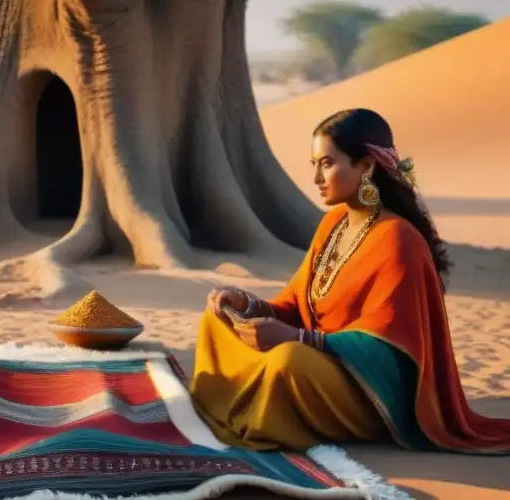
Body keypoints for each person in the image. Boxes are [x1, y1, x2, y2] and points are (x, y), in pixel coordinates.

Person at [191, 108, 510, 453]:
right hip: (316, 362)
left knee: (288, 362)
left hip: (368, 390)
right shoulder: (332, 224)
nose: (316, 177)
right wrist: (247, 304)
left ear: (367, 167)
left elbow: (389, 348)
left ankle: (258, 412)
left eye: (327, 163)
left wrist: (301, 339)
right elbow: (297, 305)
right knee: (216, 320)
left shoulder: (398, 238)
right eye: (314, 163)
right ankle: (236, 406)